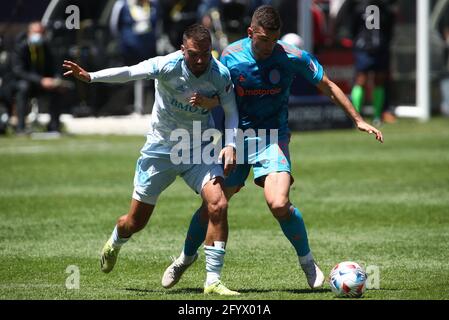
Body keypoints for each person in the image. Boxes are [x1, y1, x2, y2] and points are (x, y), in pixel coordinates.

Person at [162, 5, 383, 291]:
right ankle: (183, 259)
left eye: (274, 39)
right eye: (263, 39)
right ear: (250, 32)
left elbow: (327, 85)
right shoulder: (231, 57)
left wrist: (358, 120)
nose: (269, 46)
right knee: (212, 205)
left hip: (272, 138)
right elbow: (217, 96)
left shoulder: (291, 56)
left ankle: (307, 262)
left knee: (278, 203)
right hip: (236, 139)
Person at [63, 24, 240, 295]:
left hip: (198, 149)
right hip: (161, 150)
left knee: (218, 204)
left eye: (205, 53)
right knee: (135, 222)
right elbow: (130, 72)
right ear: (183, 51)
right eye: (194, 54)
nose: (201, 60)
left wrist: (229, 145)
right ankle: (115, 241)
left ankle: (212, 280)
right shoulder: (166, 65)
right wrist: (90, 77)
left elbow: (231, 110)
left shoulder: (219, 74)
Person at [348, 0, 397, 125]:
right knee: (361, 79)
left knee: (379, 80)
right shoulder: (360, 6)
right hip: (363, 48)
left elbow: (390, 27)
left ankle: (377, 116)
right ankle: (356, 116)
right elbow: (353, 26)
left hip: (380, 48)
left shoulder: (385, 8)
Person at [12, 22, 64, 133]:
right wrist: (40, 80)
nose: (39, 35)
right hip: (26, 83)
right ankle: (21, 128)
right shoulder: (21, 47)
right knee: (23, 88)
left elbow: (54, 67)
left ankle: (54, 127)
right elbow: (19, 71)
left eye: (41, 32)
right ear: (29, 33)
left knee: (57, 89)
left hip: (43, 84)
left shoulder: (46, 47)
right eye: (36, 32)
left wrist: (56, 80)